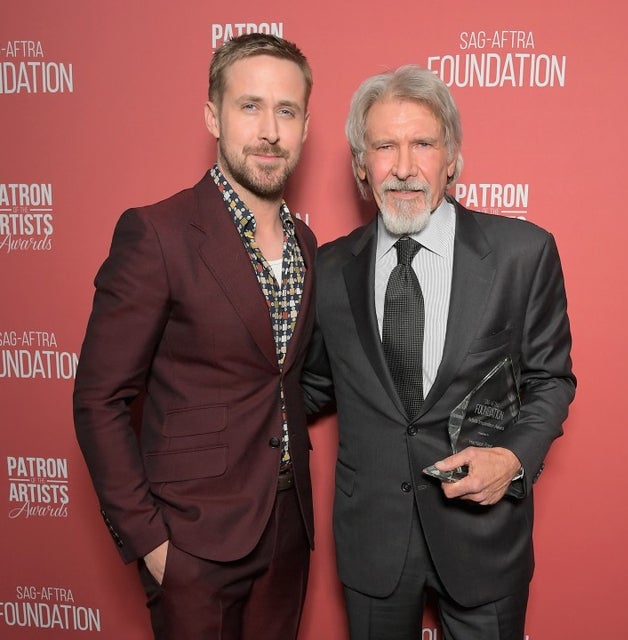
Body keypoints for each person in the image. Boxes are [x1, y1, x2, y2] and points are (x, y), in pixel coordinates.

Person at [302, 65, 576, 640]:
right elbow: (315, 384)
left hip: (484, 539)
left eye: (423, 143)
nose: (403, 167)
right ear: (360, 165)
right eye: (384, 146)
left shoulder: (522, 254)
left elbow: (551, 380)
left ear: (451, 157)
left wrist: (514, 459)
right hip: (373, 540)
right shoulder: (327, 269)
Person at [73, 33, 316, 640]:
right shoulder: (156, 234)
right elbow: (98, 399)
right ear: (212, 115)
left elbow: (283, 378)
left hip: (287, 529)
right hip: (191, 541)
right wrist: (152, 543)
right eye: (249, 106)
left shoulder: (307, 247)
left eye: (286, 111)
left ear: (306, 126)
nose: (269, 131)